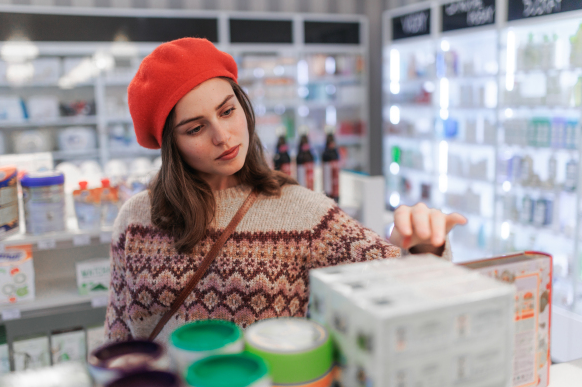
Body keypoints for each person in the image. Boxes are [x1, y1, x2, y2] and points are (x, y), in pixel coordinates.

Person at [105, 38, 467, 343]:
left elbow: (399, 285)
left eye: (228, 111)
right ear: (172, 144)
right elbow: (118, 336)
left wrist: (424, 247)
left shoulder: (302, 213)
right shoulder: (136, 219)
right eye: (196, 129)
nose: (223, 135)